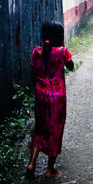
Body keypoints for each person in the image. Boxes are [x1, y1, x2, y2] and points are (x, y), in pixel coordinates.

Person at [26, 21, 74, 179]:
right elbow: (71, 66)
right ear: (59, 36)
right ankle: (49, 170)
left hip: (41, 95)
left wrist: (38, 89)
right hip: (57, 98)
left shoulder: (36, 52)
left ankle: (31, 163)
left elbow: (33, 75)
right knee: (55, 131)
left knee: (39, 129)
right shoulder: (62, 51)